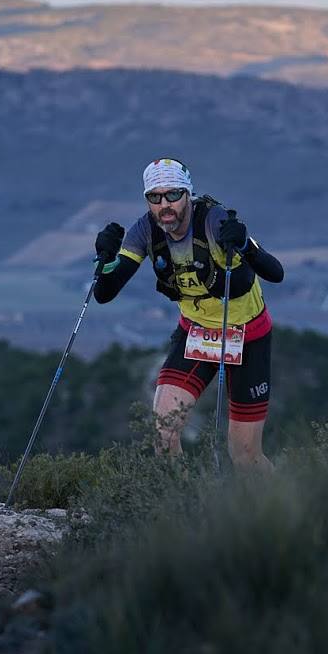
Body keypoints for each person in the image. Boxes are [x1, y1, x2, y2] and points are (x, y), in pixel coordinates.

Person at [92, 158, 285, 473]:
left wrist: (246, 247)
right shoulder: (146, 230)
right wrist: (104, 259)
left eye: (173, 195)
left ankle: (285, 514)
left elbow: (275, 273)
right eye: (154, 197)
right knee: (163, 433)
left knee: (245, 455)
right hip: (196, 333)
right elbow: (105, 293)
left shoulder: (215, 221)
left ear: (188, 195)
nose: (164, 205)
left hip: (247, 336)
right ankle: (191, 509)